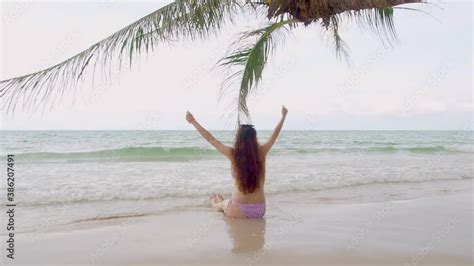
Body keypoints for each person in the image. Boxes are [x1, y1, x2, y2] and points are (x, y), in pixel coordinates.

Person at [185, 106, 288, 218]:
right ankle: (222, 203)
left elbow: (210, 139)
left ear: (238, 139)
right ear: (254, 139)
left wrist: (193, 121)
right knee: (226, 203)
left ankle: (216, 203)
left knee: (220, 205)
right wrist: (283, 117)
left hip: (238, 210)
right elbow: (275, 135)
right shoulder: (262, 152)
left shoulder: (233, 154)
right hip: (260, 210)